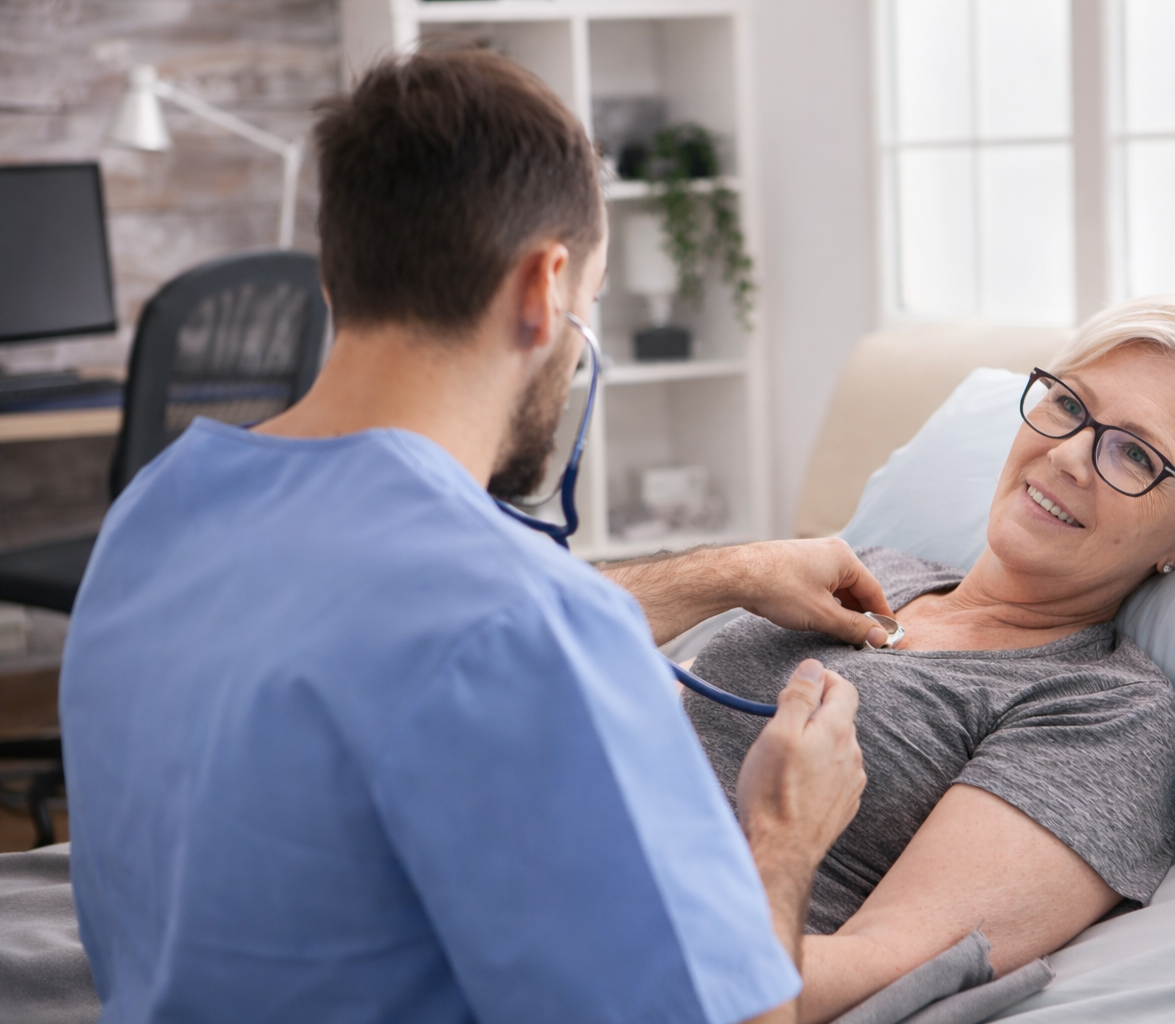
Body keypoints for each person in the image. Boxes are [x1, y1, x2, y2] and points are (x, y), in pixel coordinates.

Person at [60, 50, 889, 1024]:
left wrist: (736, 570)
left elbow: (380, 625)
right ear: (545, 285)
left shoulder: (154, 512)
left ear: (337, 273)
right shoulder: (533, 628)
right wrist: (782, 837)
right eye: (593, 300)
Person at [682, 295, 1175, 1022]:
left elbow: (877, 966)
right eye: (1068, 404)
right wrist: (720, 576)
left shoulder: (1101, 714)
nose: (1071, 455)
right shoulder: (871, 571)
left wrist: (777, 842)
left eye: (1136, 454)